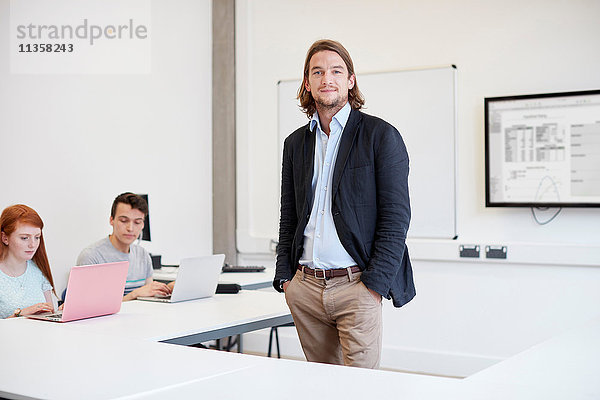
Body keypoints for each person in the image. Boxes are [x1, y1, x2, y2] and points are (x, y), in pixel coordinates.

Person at [273, 39, 416, 368]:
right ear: (307, 83)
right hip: (305, 288)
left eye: (336, 71)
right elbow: (289, 216)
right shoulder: (295, 144)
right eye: (318, 72)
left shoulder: (380, 135)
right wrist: (286, 278)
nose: (327, 79)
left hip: (357, 287)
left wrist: (374, 286)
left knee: (359, 389)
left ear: (350, 81)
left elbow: (396, 219)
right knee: (322, 386)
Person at [77, 192, 171, 301]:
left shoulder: (143, 255)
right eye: (124, 221)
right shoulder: (92, 256)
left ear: (143, 225)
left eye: (137, 222)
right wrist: (133, 295)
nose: (130, 228)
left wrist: (168, 289)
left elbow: (149, 295)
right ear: (111, 220)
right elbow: (88, 306)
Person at [0, 204, 56, 319]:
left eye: (37, 237)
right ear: (5, 238)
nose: (33, 245)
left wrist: (61, 313)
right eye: (24, 238)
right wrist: (20, 314)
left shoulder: (38, 269)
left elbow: (50, 314)